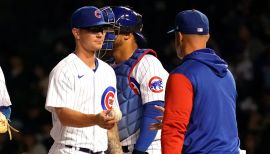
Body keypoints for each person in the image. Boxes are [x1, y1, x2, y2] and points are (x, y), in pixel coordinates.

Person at [161, 9, 241, 153]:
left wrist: (172, 119)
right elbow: (215, 122)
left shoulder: (182, 75)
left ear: (179, 37)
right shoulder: (227, 74)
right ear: (207, 36)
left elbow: (174, 130)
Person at [45, 6, 122, 154]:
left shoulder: (108, 71)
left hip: (100, 150)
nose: (100, 34)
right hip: (69, 149)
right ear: (77, 33)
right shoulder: (63, 70)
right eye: (93, 29)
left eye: (102, 29)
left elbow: (110, 115)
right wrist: (95, 119)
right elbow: (64, 115)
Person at [100, 6, 169, 154]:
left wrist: (140, 151)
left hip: (148, 148)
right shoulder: (106, 68)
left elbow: (154, 112)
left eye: (109, 29)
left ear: (127, 34)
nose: (103, 34)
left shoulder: (147, 63)